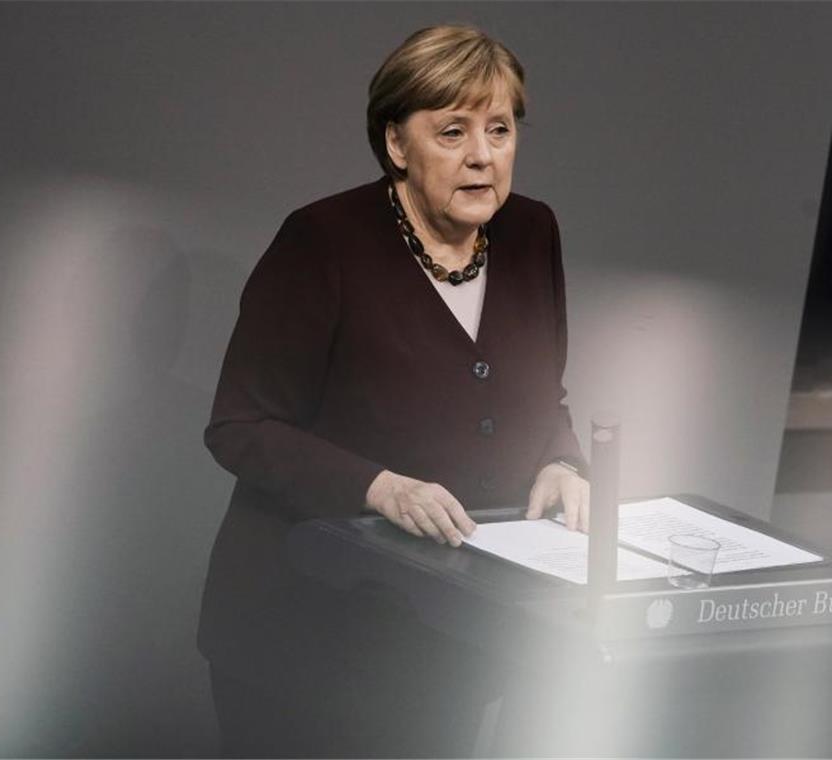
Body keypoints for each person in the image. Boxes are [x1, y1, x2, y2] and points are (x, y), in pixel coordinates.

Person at [198, 24, 589, 757]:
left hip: (451, 636)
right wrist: (379, 487)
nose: (482, 155)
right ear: (396, 145)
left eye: (499, 129)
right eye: (452, 131)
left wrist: (562, 462)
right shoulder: (321, 242)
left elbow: (544, 397)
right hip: (304, 635)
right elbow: (240, 424)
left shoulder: (533, 232)